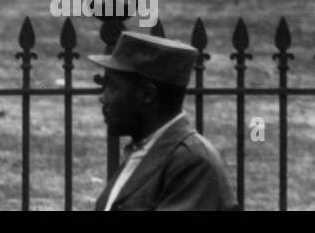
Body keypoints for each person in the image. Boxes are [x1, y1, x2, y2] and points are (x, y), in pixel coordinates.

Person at [87, 30, 239, 211]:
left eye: (112, 87)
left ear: (147, 94)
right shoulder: (144, 151)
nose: (103, 98)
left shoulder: (192, 162)